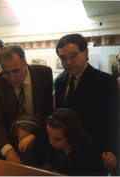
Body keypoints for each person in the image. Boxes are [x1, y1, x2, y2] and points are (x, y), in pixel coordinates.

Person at [54, 33, 119, 175]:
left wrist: (113, 151)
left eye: (73, 55)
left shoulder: (105, 82)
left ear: (85, 53)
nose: (68, 62)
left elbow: (114, 120)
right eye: (63, 58)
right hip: (65, 156)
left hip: (93, 156)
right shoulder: (60, 82)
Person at [0, 44, 53, 163]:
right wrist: (8, 151)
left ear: (25, 64)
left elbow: (48, 113)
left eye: (16, 71)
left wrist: (36, 135)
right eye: (6, 73)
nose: (12, 78)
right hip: (10, 144)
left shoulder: (43, 74)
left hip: (41, 144)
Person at [46, 108, 105, 175]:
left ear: (72, 136)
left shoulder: (88, 154)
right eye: (49, 135)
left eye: (57, 139)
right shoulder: (52, 144)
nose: (51, 142)